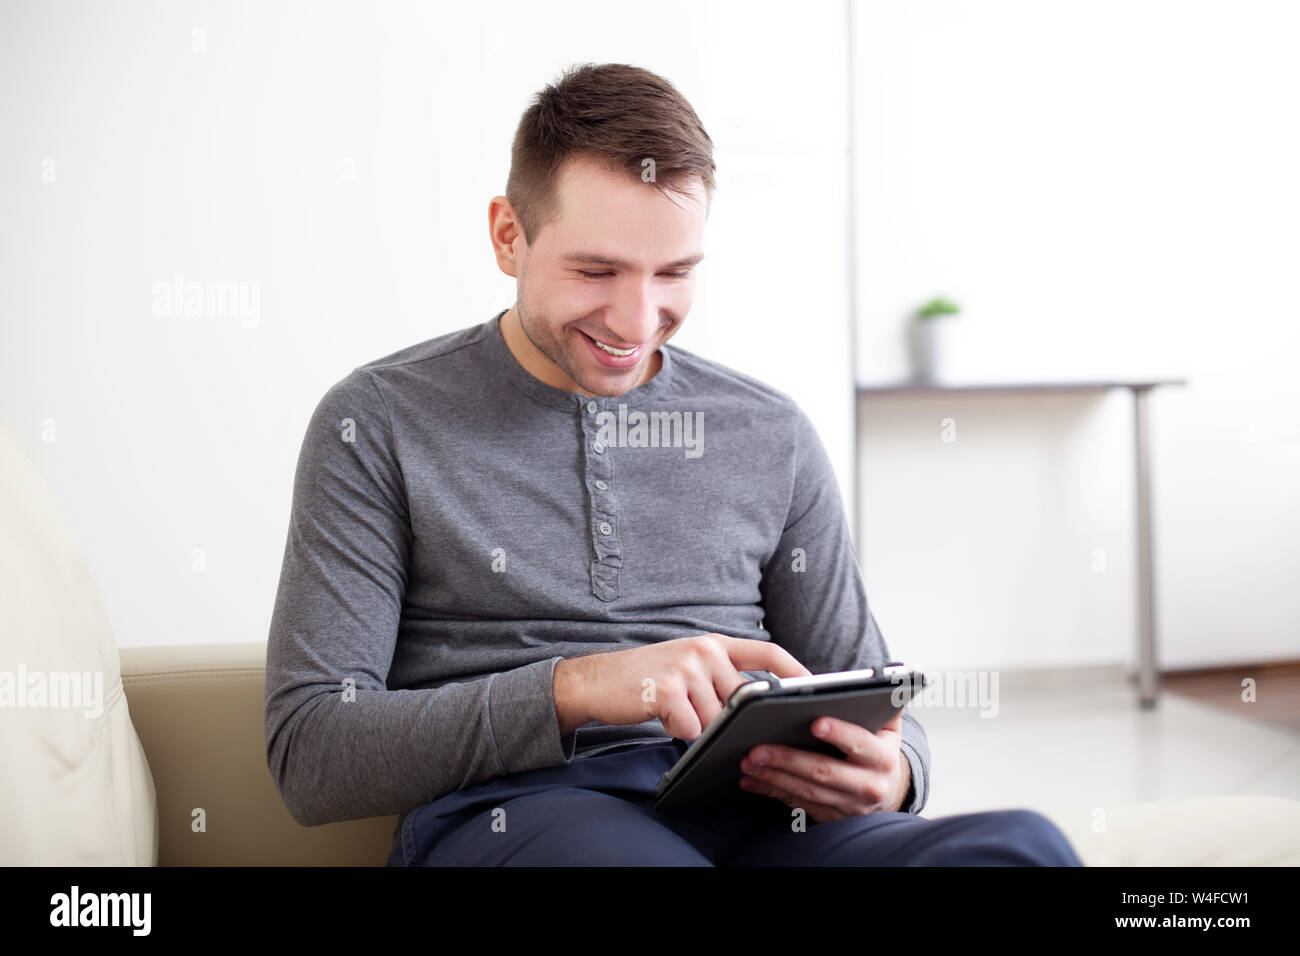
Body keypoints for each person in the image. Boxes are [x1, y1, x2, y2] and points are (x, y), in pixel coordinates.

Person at [264, 61, 1082, 867]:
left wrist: (895, 774)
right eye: (596, 270)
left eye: (674, 274)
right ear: (509, 235)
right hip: (526, 815)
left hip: (769, 818)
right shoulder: (377, 420)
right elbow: (312, 755)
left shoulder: (770, 431)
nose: (637, 318)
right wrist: (577, 687)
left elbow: (871, 699)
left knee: (1023, 847)